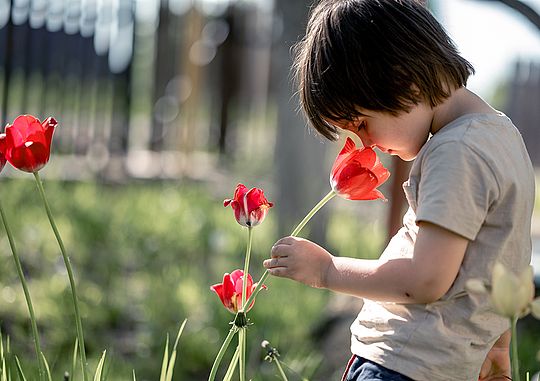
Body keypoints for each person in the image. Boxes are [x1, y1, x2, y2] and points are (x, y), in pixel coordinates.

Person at [262, 0, 536, 380]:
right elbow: (501, 257)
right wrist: (497, 346)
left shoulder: (456, 151)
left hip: (403, 362)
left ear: (400, 77)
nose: (365, 144)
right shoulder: (502, 137)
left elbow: (424, 280)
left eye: (360, 123)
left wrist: (327, 270)